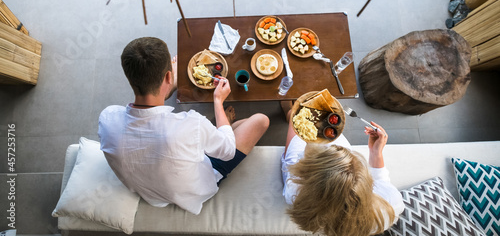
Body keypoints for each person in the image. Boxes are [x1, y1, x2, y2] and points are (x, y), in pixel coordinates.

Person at [98, 37, 269, 215]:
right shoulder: (192, 124)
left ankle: (208, 122)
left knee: (207, 134)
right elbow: (227, 152)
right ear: (168, 76)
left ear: (129, 77)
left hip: (152, 193)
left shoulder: (107, 118)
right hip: (194, 190)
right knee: (261, 120)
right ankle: (220, 125)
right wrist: (218, 101)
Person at [280, 102, 404, 236]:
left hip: (312, 171)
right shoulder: (391, 205)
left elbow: (299, 165)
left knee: (296, 118)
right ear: (367, 182)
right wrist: (376, 152)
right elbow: (381, 180)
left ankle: (290, 113)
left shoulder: (295, 191)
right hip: (322, 172)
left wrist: (309, 140)